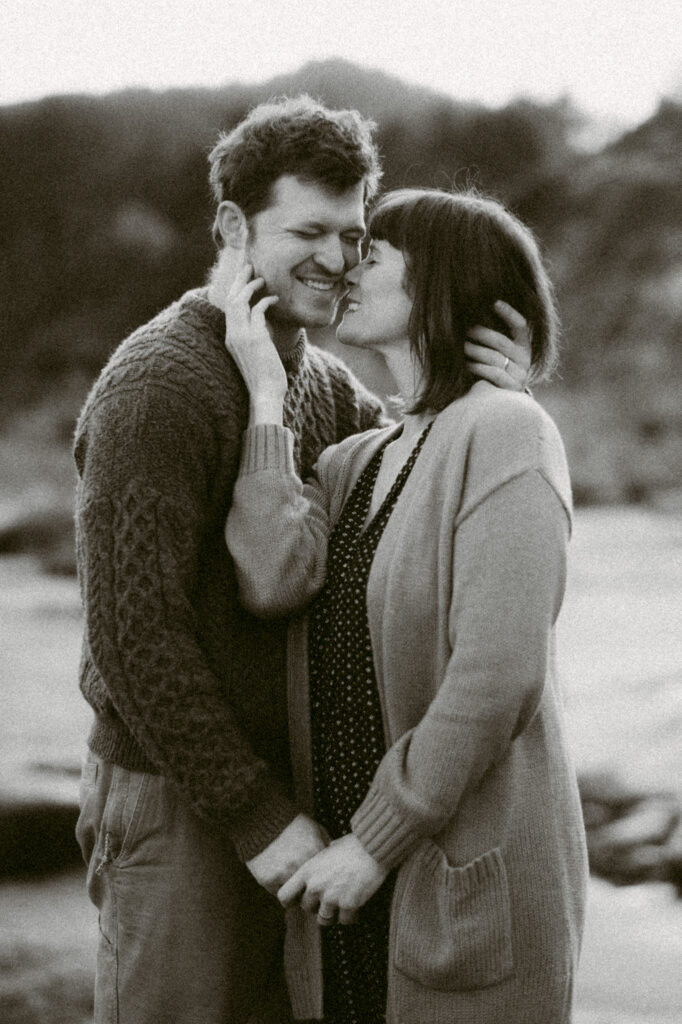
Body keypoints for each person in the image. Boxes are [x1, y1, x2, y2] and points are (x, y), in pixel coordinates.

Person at [73, 95, 532, 1024]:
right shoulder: (159, 382)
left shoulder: (324, 381)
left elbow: (429, 478)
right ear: (234, 227)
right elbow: (133, 637)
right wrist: (255, 816)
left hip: (294, 804)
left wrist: (505, 403)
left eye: (355, 233)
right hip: (179, 801)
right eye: (309, 230)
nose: (337, 258)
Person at [225, 187, 589, 1024]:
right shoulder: (360, 457)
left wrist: (374, 841)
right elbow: (272, 578)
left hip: (446, 872)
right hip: (352, 889)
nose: (349, 268)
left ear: (438, 284)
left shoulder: (506, 431)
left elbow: (498, 674)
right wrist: (265, 398)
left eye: (375, 253)